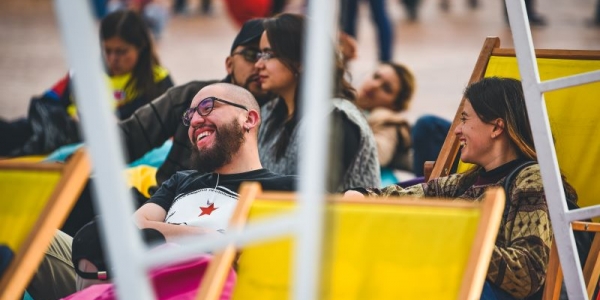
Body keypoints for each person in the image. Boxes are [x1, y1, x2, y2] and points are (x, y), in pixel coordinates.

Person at [345, 77, 578, 299]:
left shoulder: (532, 178)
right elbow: (409, 196)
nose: (457, 129)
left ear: (497, 128)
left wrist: (456, 239)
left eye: (465, 119)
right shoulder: (469, 180)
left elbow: (527, 272)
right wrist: (363, 195)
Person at [133, 83, 297, 241]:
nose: (194, 121)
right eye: (190, 116)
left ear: (249, 119)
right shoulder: (179, 182)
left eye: (207, 107)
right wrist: (208, 237)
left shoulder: (289, 188)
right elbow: (135, 227)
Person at [0, 9, 173, 157]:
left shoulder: (158, 80)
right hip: (60, 133)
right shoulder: (86, 70)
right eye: (108, 50)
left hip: (101, 148)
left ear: (141, 47)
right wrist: (70, 118)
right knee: (12, 132)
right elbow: (47, 101)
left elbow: (162, 128)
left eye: (121, 52)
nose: (113, 58)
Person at [254, 13, 380, 192]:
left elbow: (313, 196)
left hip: (344, 219)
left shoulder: (336, 119)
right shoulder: (268, 112)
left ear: (301, 61)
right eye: (259, 54)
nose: (258, 64)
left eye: (268, 54)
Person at [355, 62, 416, 173]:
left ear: (396, 106)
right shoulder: (345, 98)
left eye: (386, 88)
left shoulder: (387, 121)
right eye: (376, 77)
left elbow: (378, 154)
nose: (374, 86)